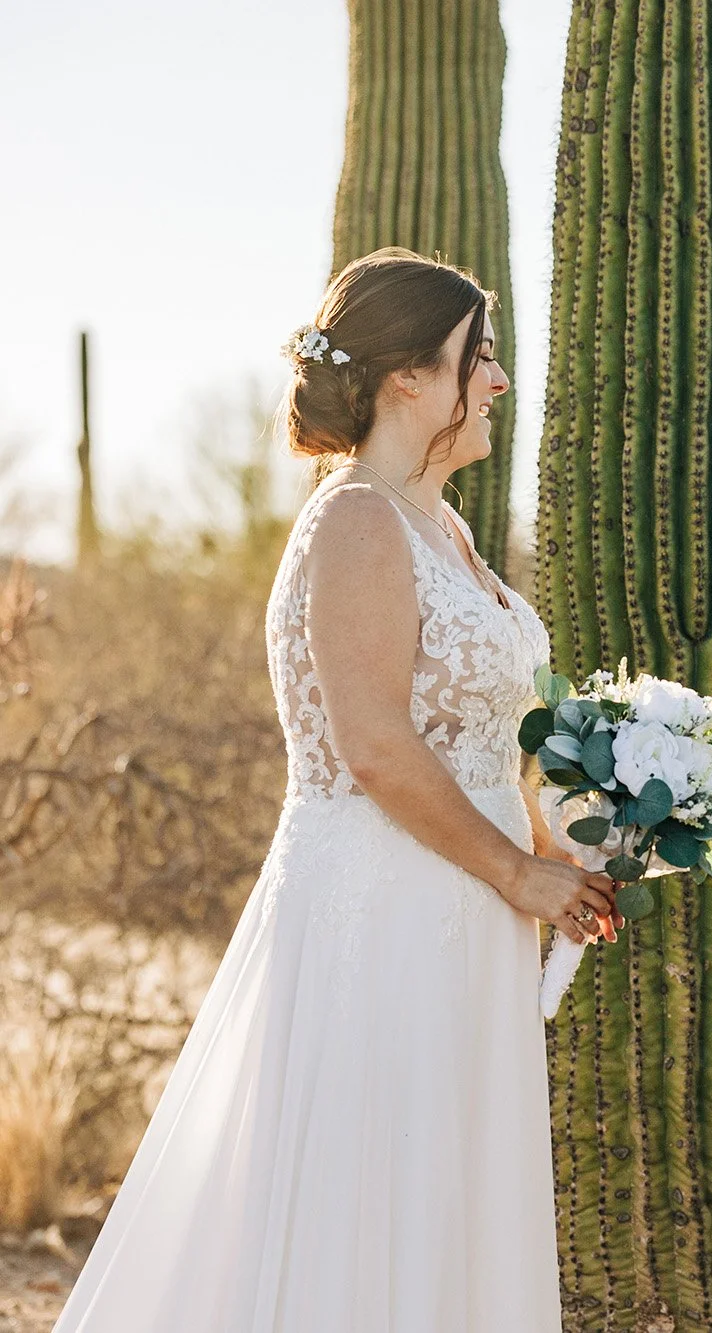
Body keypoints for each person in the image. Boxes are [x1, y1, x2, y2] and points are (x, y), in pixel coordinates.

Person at [54, 248, 614, 1333]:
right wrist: (516, 873)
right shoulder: (357, 520)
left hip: (471, 906)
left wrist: (561, 851)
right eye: (478, 356)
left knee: (444, 1190)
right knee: (372, 1192)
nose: (498, 380)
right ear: (410, 377)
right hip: (390, 906)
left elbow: (481, 743)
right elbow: (373, 747)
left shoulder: (445, 528)